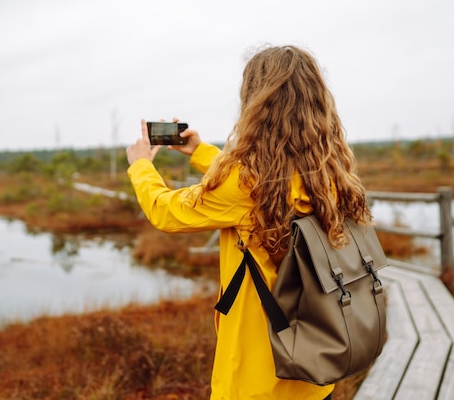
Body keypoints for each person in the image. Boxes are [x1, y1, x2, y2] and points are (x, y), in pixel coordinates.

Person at [126, 45, 370, 400]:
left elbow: (165, 210)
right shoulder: (330, 173)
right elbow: (262, 181)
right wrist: (202, 152)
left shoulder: (245, 182)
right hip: (314, 370)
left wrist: (141, 166)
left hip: (256, 378)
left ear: (256, 103)